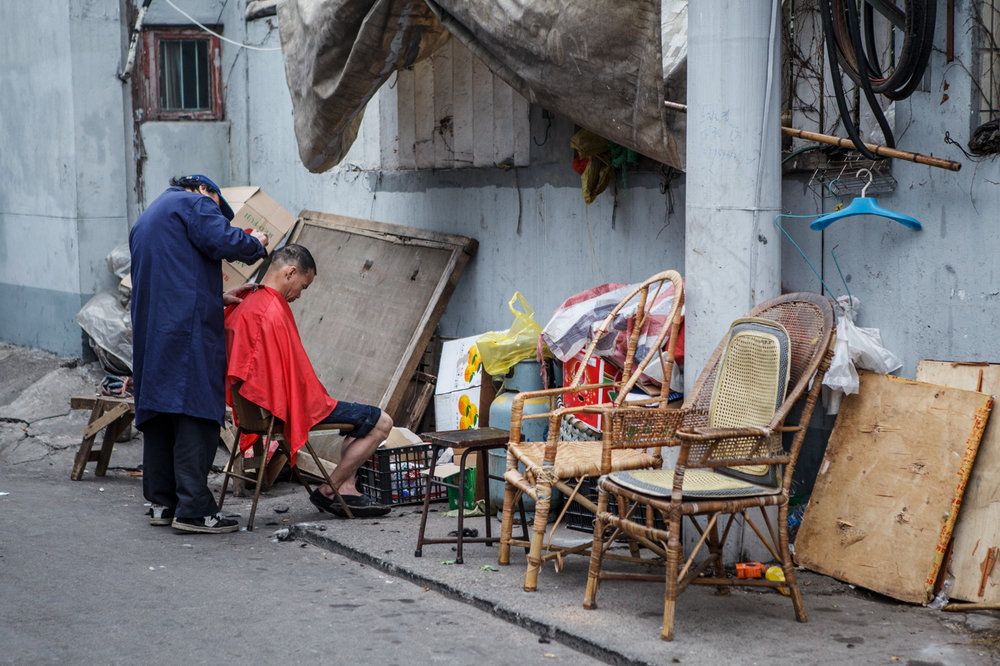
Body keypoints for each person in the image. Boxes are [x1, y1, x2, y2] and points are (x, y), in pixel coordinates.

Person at [130, 174, 269, 534]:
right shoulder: (194, 202)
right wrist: (257, 243)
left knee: (161, 414)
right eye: (215, 209)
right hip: (185, 334)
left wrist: (214, 296)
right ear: (204, 191)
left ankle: (163, 503)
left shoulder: (148, 217)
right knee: (196, 411)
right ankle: (194, 509)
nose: (213, 213)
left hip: (154, 334)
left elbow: (173, 278)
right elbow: (225, 240)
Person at [224, 244, 393, 518]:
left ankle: (347, 488)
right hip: (282, 410)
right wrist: (318, 402)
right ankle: (330, 490)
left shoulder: (247, 301)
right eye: (303, 286)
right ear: (290, 272)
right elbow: (298, 382)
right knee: (381, 421)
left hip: (253, 412)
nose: (300, 295)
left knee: (357, 422)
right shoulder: (272, 311)